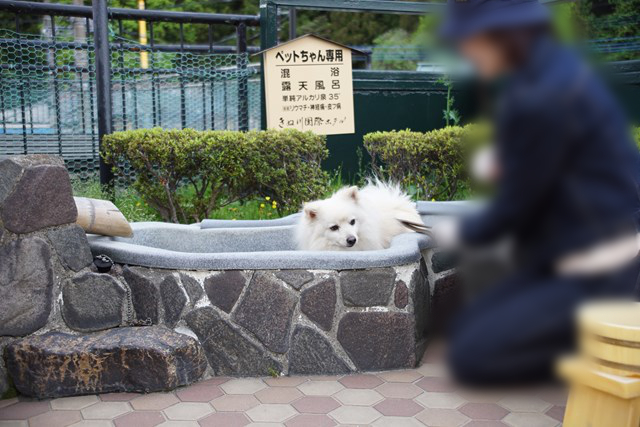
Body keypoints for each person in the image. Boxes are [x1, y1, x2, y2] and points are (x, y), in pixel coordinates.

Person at [435, 0, 640, 385]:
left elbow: (516, 205)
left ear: (501, 36)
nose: (465, 51)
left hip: (612, 257)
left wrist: (457, 234)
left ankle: (593, 351)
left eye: (470, 40)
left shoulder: (539, 94)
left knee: (473, 352)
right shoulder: (555, 73)